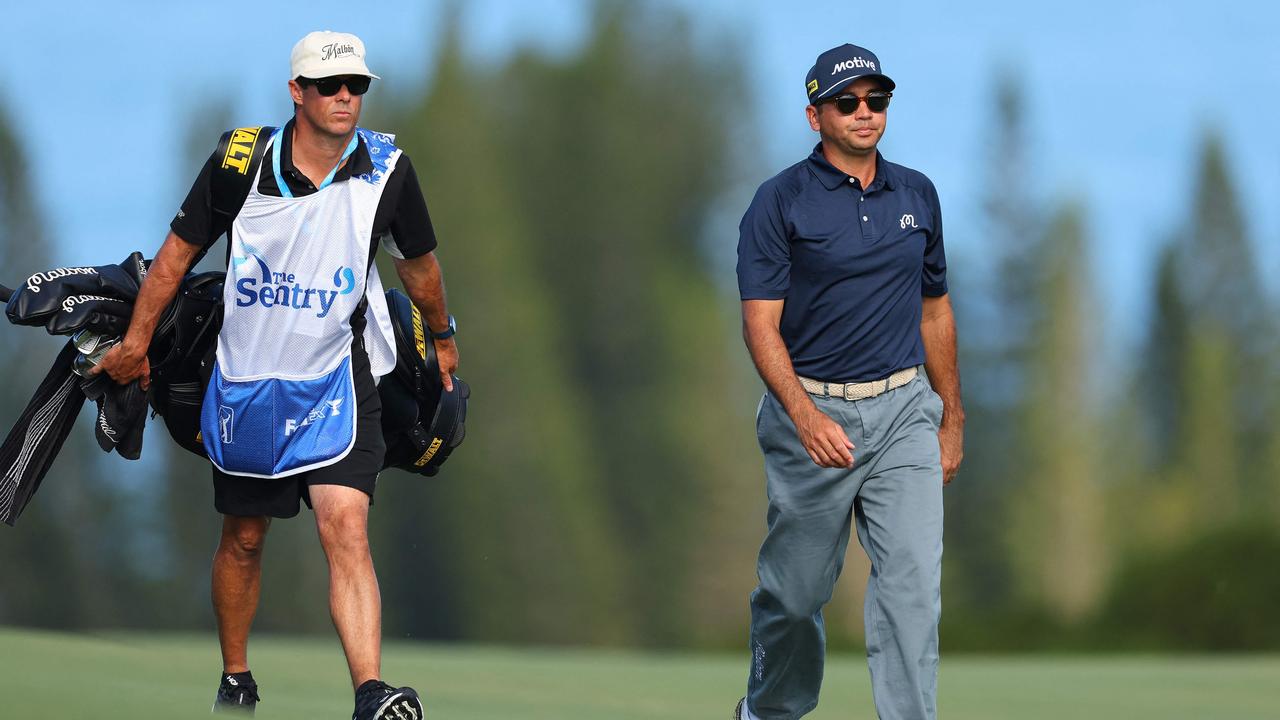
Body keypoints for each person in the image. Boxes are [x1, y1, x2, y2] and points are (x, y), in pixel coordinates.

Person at [95, 30, 457, 719]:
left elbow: (420, 265)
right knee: (244, 537)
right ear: (298, 93)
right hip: (247, 379)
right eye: (330, 86)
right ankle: (236, 674)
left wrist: (441, 337)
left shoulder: (388, 168)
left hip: (337, 379)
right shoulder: (240, 162)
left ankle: (370, 693)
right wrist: (137, 344)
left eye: (357, 85)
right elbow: (175, 258)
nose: (346, 96)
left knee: (344, 522)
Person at [732, 43, 963, 720]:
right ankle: (768, 712)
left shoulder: (917, 194)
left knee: (913, 591)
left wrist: (951, 417)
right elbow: (760, 326)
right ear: (815, 116)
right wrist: (806, 418)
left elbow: (935, 309)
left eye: (877, 100)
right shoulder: (779, 203)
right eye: (848, 102)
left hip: (904, 414)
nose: (865, 113)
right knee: (795, 596)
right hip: (813, 417)